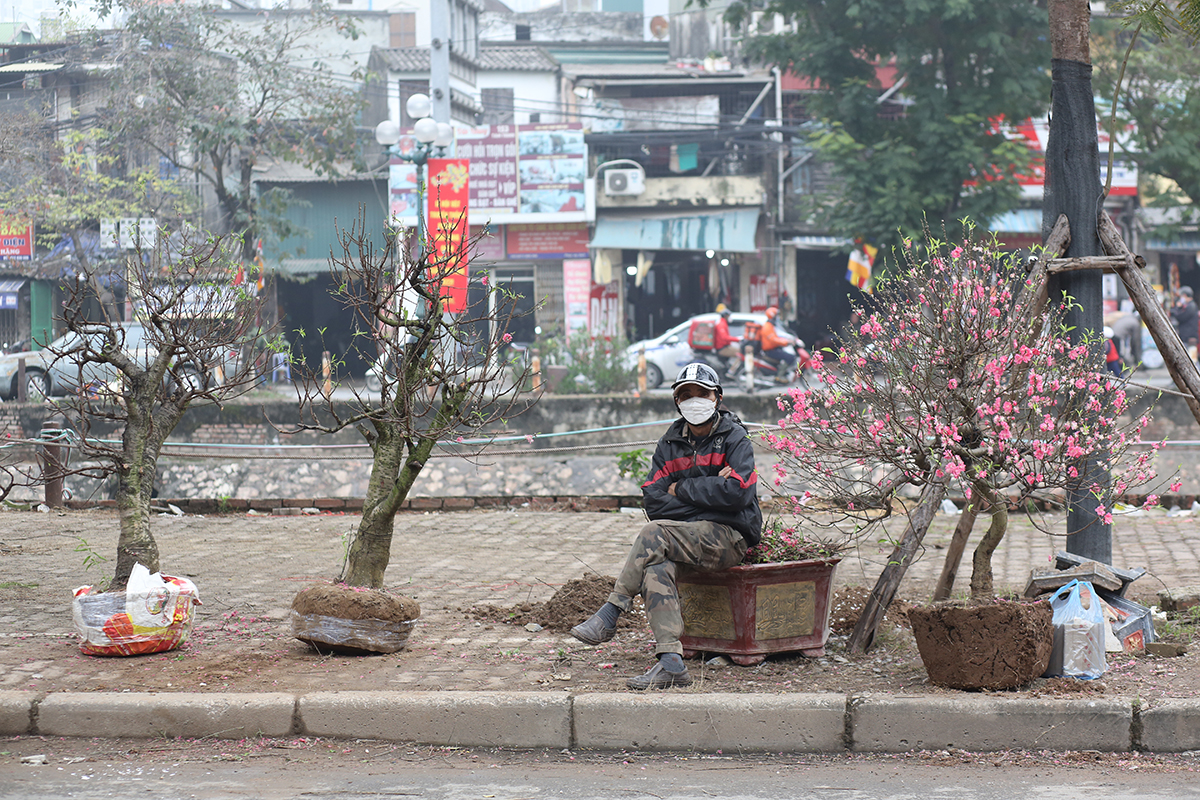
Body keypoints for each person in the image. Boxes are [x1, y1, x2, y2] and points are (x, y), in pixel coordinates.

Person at [570, 362, 762, 689]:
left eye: (702, 393)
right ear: (676, 401)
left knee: (653, 532)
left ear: (716, 398)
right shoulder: (670, 442)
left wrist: (682, 489)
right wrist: (710, 490)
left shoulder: (734, 438)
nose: (694, 400)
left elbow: (739, 493)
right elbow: (653, 500)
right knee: (654, 569)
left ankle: (613, 610)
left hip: (728, 538)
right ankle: (672, 662)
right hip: (684, 538)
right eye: (685, 394)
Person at [758, 306, 797, 381]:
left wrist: (786, 340)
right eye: (776, 316)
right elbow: (773, 339)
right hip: (770, 350)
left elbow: (777, 337)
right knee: (790, 357)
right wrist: (786, 342)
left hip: (774, 348)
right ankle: (780, 376)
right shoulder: (767, 327)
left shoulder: (770, 325)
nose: (777, 318)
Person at [712, 304, 741, 377]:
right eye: (728, 316)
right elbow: (724, 337)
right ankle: (731, 371)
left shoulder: (723, 323)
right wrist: (738, 339)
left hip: (726, 346)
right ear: (725, 316)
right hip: (722, 348)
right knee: (741, 354)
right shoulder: (721, 324)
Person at [1170, 286, 1199, 358]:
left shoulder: (1191, 307)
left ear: (1184, 295)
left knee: (1192, 359)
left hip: (1189, 337)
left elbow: (1180, 317)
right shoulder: (1189, 306)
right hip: (1187, 336)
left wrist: (1178, 307)